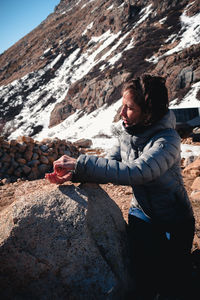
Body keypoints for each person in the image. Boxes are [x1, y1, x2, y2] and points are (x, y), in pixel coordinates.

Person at [45, 74, 195, 300]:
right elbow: (110, 164)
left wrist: (81, 163)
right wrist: (74, 172)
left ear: (149, 113)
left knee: (175, 282)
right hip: (142, 214)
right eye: (122, 106)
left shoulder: (168, 140)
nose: (122, 114)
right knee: (143, 279)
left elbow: (138, 172)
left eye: (130, 108)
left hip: (174, 218)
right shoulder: (128, 133)